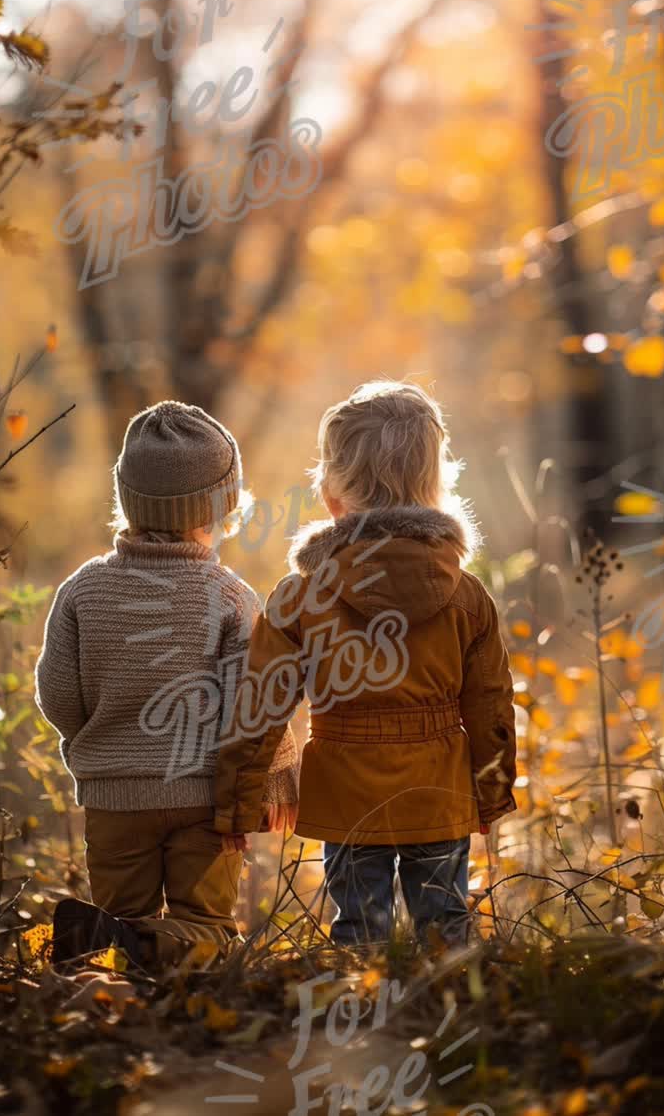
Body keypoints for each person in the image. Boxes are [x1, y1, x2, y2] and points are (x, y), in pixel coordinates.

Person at [213, 380, 517, 946]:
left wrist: (240, 803)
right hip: (440, 788)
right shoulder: (466, 595)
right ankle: (452, 1019)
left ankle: (354, 1022)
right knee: (445, 927)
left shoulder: (301, 596)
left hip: (346, 790)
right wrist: (490, 790)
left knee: (359, 930)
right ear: (437, 489)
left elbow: (260, 706)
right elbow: (491, 704)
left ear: (332, 496)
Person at [35, 400, 298, 965]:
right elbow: (257, 703)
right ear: (221, 506)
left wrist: (96, 743)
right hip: (202, 797)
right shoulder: (228, 595)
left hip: (114, 796)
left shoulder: (82, 591)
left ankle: (110, 967)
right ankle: (165, 958)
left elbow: (57, 694)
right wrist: (274, 777)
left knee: (119, 925)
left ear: (126, 497)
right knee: (205, 925)